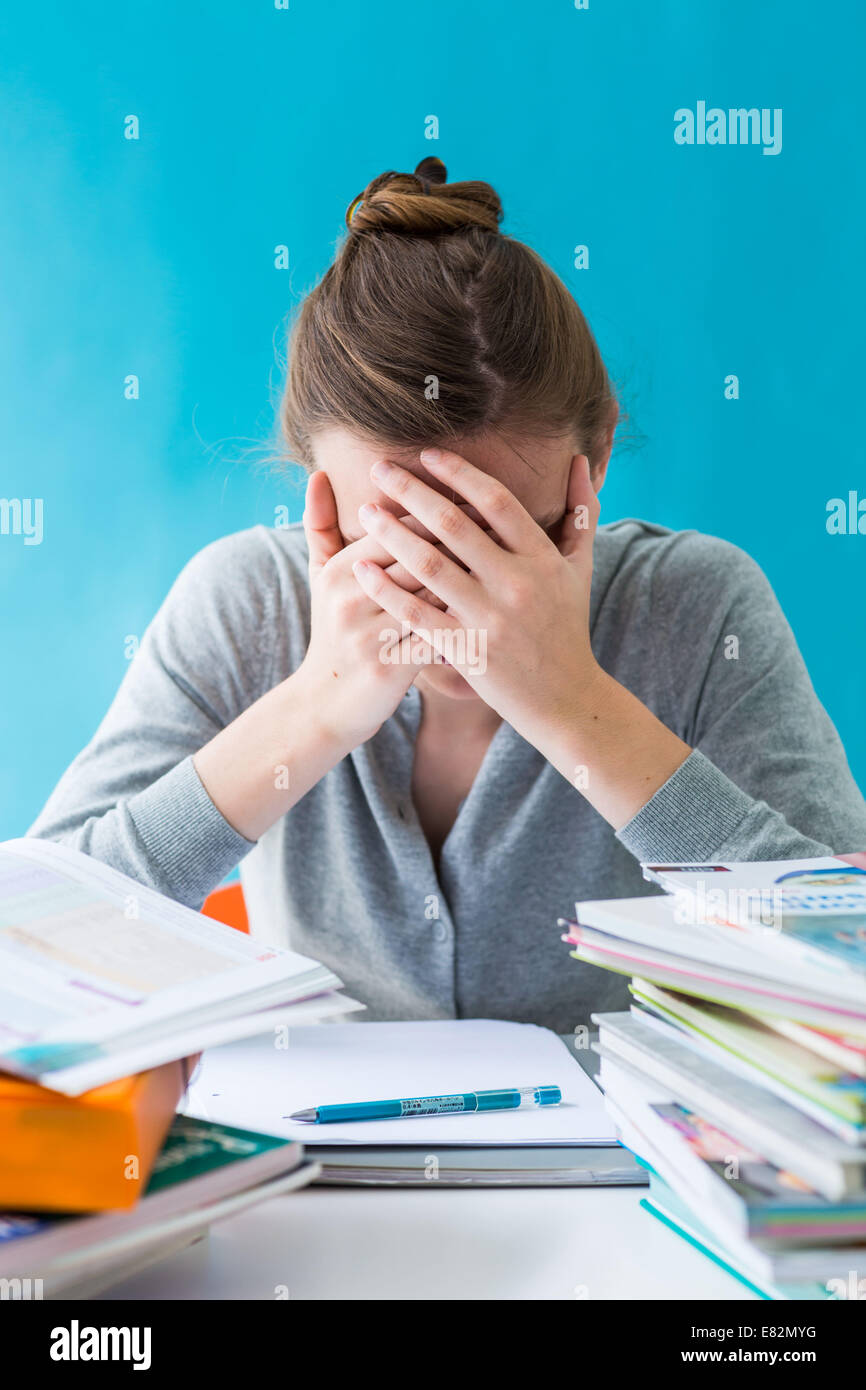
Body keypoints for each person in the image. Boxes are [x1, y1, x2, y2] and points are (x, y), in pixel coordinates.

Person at [29, 158, 866, 1031]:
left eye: (511, 543)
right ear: (315, 490)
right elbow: (31, 940)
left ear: (599, 465)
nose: (457, 617)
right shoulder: (245, 604)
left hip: (622, 1164)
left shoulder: (698, 608)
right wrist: (314, 711)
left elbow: (851, 962)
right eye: (394, 549)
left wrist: (575, 704)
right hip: (310, 1159)